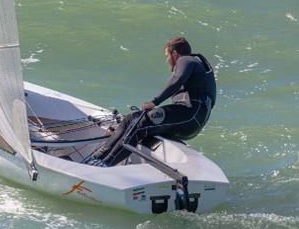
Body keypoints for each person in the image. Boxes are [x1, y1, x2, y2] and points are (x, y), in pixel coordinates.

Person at [87, 36, 217, 167]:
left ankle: (104, 163)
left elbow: (177, 80)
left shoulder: (186, 60)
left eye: (167, 56)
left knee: (139, 125)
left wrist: (155, 102)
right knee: (131, 119)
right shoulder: (197, 65)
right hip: (193, 119)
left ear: (175, 54)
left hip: (189, 115)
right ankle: (97, 157)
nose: (167, 60)